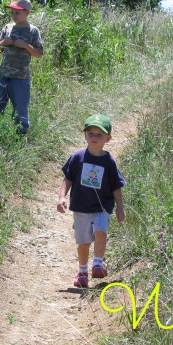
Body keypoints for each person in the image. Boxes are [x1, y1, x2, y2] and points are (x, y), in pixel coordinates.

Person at [57, 114, 126, 288]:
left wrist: (120, 207)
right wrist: (61, 197)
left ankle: (97, 264)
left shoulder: (108, 161)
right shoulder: (78, 157)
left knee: (101, 230)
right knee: (84, 242)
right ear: (85, 136)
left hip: (102, 206)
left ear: (108, 139)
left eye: (99, 135)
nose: (94, 138)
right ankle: (82, 272)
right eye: (91, 133)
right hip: (81, 207)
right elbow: (68, 179)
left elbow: (116, 186)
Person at [0, 0, 44, 134]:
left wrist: (26, 46)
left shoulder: (32, 30)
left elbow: (39, 53)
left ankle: (19, 137)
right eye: (12, 12)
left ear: (27, 13)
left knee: (20, 111)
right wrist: (3, 43)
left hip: (20, 77)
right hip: (3, 75)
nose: (14, 15)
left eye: (17, 12)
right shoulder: (7, 27)